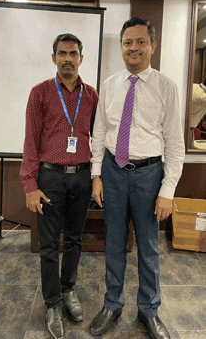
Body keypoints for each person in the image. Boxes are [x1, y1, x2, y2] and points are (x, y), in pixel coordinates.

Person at [90, 17, 185, 339]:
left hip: (149, 176)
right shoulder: (110, 84)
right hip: (113, 174)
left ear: (152, 46)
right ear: (121, 47)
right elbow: (100, 131)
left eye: (141, 42)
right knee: (114, 245)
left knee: (148, 248)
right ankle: (112, 304)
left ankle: (149, 310)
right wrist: (96, 175)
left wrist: (167, 191)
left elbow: (175, 142)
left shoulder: (166, 87)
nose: (134, 47)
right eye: (128, 42)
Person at [20, 33, 99, 339]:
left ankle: (68, 291)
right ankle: (52, 303)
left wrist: (96, 176)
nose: (68, 59)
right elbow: (30, 139)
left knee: (76, 239)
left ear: (81, 58)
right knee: (50, 244)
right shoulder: (40, 93)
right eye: (62, 53)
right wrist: (29, 183)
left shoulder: (91, 95)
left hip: (80, 176)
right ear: (53, 58)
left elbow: (100, 139)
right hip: (49, 177)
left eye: (74, 53)